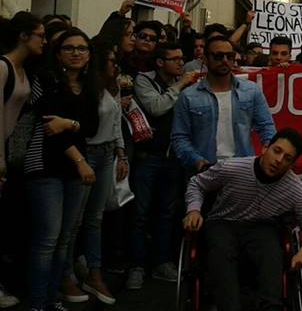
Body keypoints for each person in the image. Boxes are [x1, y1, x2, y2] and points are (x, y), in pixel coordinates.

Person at [182, 129, 302, 311]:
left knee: (271, 249)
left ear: (292, 164)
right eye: (277, 151)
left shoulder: (295, 189)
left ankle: (271, 306)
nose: (279, 160)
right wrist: (193, 209)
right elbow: (197, 184)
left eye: (287, 158)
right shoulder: (233, 167)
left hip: (262, 227)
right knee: (221, 249)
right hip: (223, 221)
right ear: (265, 148)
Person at [24, 29, 100, 311]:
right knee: (48, 239)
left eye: (82, 48)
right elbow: (50, 127)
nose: (76, 53)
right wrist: (80, 159)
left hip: (75, 167)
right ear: (58, 54)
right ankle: (38, 303)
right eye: (69, 48)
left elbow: (89, 127)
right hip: (46, 163)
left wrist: (69, 123)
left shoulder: (90, 86)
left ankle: (53, 298)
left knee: (65, 238)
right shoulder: (47, 80)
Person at [62, 39, 127, 305]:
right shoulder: (85, 89)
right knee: (73, 221)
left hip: (106, 153)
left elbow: (116, 122)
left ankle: (94, 272)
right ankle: (65, 275)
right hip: (86, 153)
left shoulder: (112, 88)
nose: (116, 66)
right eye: (112, 61)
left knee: (94, 220)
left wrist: (121, 153)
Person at [129, 43, 199, 289]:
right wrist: (180, 86)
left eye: (182, 58)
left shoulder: (187, 82)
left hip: (174, 157)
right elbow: (156, 107)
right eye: (175, 59)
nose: (181, 63)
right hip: (150, 156)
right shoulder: (144, 81)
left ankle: (161, 262)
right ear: (160, 62)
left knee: (167, 213)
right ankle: (136, 265)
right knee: (141, 212)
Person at [171, 36, 277, 173]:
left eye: (230, 56)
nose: (225, 61)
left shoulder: (251, 90)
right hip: (204, 171)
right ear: (205, 59)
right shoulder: (188, 96)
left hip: (243, 169)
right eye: (218, 56)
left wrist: (268, 147)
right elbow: (180, 137)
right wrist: (197, 161)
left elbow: (266, 125)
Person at [0, 12, 44, 309]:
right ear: (23, 36)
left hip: (11, 154)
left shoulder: (25, 69)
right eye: (40, 35)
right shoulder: (2, 67)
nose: (44, 40)